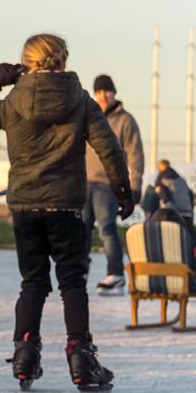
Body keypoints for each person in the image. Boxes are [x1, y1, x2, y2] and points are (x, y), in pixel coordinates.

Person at [0, 33, 130, 392]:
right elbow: (109, 148)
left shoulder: (11, 101)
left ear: (26, 62)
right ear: (62, 61)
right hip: (67, 204)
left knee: (33, 283)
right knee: (72, 283)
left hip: (25, 204)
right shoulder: (81, 100)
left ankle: (25, 355)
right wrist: (122, 188)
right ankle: (81, 357)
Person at [85, 75, 147, 292]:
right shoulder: (88, 115)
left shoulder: (125, 120)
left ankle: (116, 273)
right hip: (83, 182)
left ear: (114, 93)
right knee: (80, 230)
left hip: (107, 183)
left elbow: (135, 154)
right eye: (99, 92)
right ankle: (80, 270)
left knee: (106, 229)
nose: (103, 96)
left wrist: (135, 185)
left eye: (107, 91)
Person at [140, 159, 196, 294]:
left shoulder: (161, 178)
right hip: (185, 213)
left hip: (151, 280)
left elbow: (162, 193)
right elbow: (189, 196)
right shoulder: (181, 180)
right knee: (188, 248)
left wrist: (166, 204)